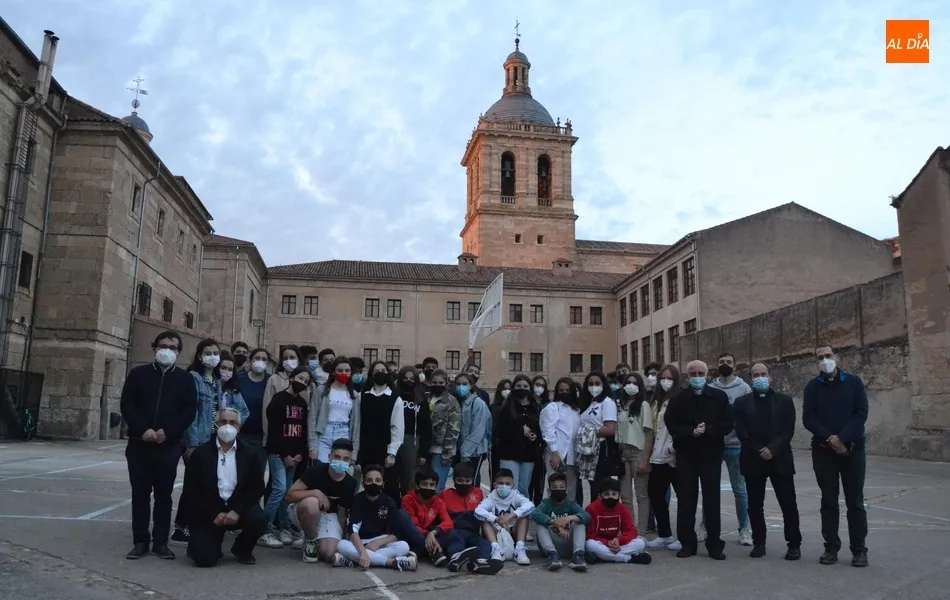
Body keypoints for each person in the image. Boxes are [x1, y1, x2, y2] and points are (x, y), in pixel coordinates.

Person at [120, 331, 198, 560]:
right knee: (140, 495)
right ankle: (140, 541)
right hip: (139, 445)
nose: (167, 350)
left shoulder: (185, 379)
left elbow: (189, 411)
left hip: (168, 446)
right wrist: (142, 430)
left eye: (172, 347)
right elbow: (127, 405)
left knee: (164, 496)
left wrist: (169, 432)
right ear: (154, 348)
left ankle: (161, 542)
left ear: (178, 352)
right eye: (163, 345)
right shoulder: (138, 374)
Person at [173, 342, 249, 547]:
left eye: (215, 353)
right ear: (199, 355)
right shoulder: (194, 379)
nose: (213, 357)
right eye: (208, 353)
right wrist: (192, 443)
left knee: (206, 485)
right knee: (193, 485)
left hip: (212, 439)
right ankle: (181, 526)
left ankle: (199, 523)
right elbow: (192, 413)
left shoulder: (215, 381)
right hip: (197, 440)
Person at [803, 345, 869, 568]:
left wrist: (842, 438)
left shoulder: (853, 383)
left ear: (836, 357)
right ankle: (831, 547)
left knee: (855, 502)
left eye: (828, 356)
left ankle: (859, 550)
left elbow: (860, 413)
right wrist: (830, 439)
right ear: (816, 362)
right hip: (824, 452)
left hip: (853, 450)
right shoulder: (812, 387)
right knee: (828, 501)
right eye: (820, 357)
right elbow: (809, 419)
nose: (824, 360)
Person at [182, 408, 267, 567]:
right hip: (210, 512)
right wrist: (214, 513)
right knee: (204, 559)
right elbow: (192, 491)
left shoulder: (250, 453)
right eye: (223, 422)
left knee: (260, 519)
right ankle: (203, 543)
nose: (227, 426)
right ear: (216, 425)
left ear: (239, 427)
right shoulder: (201, 454)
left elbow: (256, 487)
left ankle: (242, 549)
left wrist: (237, 510)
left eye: (232, 422)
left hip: (237, 508)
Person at [665, 360, 732, 560]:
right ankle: (687, 543)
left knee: (712, 499)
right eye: (693, 374)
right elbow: (672, 424)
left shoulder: (719, 397)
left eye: (700, 373)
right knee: (686, 500)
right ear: (687, 376)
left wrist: (708, 430)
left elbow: (727, 423)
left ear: (707, 374)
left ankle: (714, 544)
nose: (696, 377)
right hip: (686, 454)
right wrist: (690, 432)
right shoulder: (678, 399)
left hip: (711, 455)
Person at [733, 364, 802, 560]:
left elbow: (788, 430)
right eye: (755, 375)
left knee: (788, 504)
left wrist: (772, 448)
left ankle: (794, 544)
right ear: (750, 379)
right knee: (755, 505)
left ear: (770, 377)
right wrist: (758, 450)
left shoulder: (785, 401)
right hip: (753, 459)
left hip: (780, 459)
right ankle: (759, 543)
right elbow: (741, 431)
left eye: (763, 374)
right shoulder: (741, 403)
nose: (760, 378)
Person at [702, 352, 753, 546]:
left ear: (735, 365)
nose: (725, 364)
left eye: (729, 362)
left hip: (736, 446)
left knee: (740, 489)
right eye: (721, 362)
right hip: (713, 445)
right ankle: (705, 526)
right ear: (716, 365)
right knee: (709, 488)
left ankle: (744, 529)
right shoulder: (710, 388)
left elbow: (749, 414)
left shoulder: (744, 388)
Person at [260, 365, 312, 548]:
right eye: (300, 379)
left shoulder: (302, 403)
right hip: (277, 453)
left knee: (288, 493)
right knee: (279, 489)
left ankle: (284, 527)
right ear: (292, 377)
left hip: (295, 456)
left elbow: (303, 431)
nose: (302, 383)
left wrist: (298, 454)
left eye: (306, 382)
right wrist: (285, 455)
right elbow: (274, 431)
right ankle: (263, 529)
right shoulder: (278, 399)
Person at [286, 438, 359, 564]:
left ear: (350, 461)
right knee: (312, 504)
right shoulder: (316, 471)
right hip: (303, 510)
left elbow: (342, 513)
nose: (341, 461)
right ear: (330, 456)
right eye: (337, 457)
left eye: (345, 459)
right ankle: (310, 540)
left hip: (329, 515)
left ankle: (318, 542)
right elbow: (290, 495)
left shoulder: (350, 483)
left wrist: (343, 535)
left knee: (329, 553)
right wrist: (315, 493)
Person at [336, 465, 417, 571]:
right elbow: (353, 531)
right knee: (341, 545)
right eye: (369, 480)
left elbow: (396, 534)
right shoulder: (357, 500)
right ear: (363, 484)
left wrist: (377, 543)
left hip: (380, 541)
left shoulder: (389, 501)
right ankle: (392, 562)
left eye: (377, 480)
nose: (373, 483)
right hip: (360, 542)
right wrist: (363, 551)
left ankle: (353, 560)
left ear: (383, 484)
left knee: (404, 546)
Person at [645, 364, 682, 552]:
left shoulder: (681, 400)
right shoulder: (656, 401)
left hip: (675, 456)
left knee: (684, 496)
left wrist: (674, 446)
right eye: (663, 378)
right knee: (656, 494)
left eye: (670, 378)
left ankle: (684, 535)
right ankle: (665, 534)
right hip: (658, 456)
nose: (665, 382)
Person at [440, 462, 501, 574]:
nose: (464, 484)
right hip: (455, 530)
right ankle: (455, 558)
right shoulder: (445, 495)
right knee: (456, 540)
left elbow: (484, 514)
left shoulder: (477, 493)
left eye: (467, 481)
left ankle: (480, 562)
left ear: (472, 480)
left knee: (485, 544)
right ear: (454, 480)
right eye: (460, 481)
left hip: (472, 532)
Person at [359, 361, 405, 497]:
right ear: (371, 374)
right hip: (366, 448)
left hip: (385, 450)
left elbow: (397, 427)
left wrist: (392, 453)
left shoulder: (395, 399)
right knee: (367, 485)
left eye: (383, 371)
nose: (380, 374)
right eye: (377, 371)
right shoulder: (362, 396)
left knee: (388, 487)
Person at [616, 371, 653, 534]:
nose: (631, 385)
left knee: (641, 495)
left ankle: (642, 531)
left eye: (635, 383)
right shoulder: (621, 406)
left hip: (638, 452)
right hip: (623, 453)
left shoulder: (643, 405)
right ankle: (629, 530)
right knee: (625, 496)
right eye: (628, 382)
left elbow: (649, 432)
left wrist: (645, 458)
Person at [400, 470, 464, 566]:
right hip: (413, 535)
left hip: (429, 534)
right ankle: (434, 552)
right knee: (402, 516)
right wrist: (428, 536)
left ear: (436, 487)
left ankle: (453, 557)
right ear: (417, 486)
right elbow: (413, 524)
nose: (428, 488)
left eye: (432, 485)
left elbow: (448, 522)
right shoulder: (408, 499)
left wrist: (433, 533)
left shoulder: (438, 501)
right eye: (424, 484)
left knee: (454, 533)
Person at [474, 468, 535, 565]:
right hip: (496, 533)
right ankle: (495, 550)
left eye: (507, 484)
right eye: (501, 483)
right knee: (484, 520)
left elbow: (531, 506)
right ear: (495, 485)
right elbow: (477, 511)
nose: (504, 486)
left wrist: (512, 515)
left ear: (512, 485)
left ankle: (519, 550)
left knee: (524, 516)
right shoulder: (490, 497)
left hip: (512, 531)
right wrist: (496, 519)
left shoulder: (515, 495)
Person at [494, 374, 542, 497]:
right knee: (509, 487)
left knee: (524, 488)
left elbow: (540, 428)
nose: (522, 388)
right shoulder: (507, 407)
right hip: (509, 453)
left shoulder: (535, 408)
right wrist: (520, 431)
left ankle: (523, 514)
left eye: (525, 386)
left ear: (530, 388)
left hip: (528, 454)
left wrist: (535, 436)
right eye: (519, 386)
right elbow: (500, 430)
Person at [531, 472, 590, 571]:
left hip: (568, 544)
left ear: (566, 489)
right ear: (549, 490)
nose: (558, 489)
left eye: (561, 487)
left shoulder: (571, 503)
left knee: (579, 523)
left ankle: (578, 556)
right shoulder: (546, 503)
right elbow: (535, 514)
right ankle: (552, 556)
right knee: (541, 525)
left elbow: (586, 516)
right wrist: (554, 523)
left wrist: (569, 518)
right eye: (554, 487)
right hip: (551, 544)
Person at [584, 478, 651, 564]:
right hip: (601, 543)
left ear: (619, 495)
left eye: (614, 494)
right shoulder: (591, 509)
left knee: (640, 543)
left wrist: (619, 541)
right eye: (606, 494)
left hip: (617, 544)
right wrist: (607, 543)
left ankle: (603, 556)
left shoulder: (622, 508)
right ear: (600, 496)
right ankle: (628, 558)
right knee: (590, 544)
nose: (610, 497)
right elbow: (591, 535)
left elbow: (631, 531)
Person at [309, 356, 361, 464]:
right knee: (321, 470)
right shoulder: (321, 390)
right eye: (340, 370)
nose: (343, 373)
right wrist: (312, 446)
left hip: (344, 434)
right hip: (324, 434)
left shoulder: (354, 395)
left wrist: (354, 451)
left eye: (347, 370)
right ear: (333, 372)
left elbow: (356, 424)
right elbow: (312, 417)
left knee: (339, 472)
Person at [579, 371, 621, 499]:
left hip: (601, 449)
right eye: (590, 384)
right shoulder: (588, 402)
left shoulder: (607, 402)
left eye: (597, 383)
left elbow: (610, 429)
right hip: (587, 449)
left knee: (600, 487)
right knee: (593, 486)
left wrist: (585, 431)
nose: (594, 386)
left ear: (604, 385)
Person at [540, 377, 582, 500]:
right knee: (555, 490)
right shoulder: (552, 407)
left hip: (573, 457)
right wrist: (554, 452)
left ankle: (569, 518)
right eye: (561, 390)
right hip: (557, 455)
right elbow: (548, 430)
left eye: (567, 390)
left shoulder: (577, 410)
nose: (564, 393)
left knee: (571, 492)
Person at [395, 366, 432, 498]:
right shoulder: (394, 396)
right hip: (393, 439)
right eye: (405, 378)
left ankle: (407, 508)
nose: (408, 381)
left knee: (409, 479)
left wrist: (423, 453)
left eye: (411, 379)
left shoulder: (421, 400)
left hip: (411, 440)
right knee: (393, 477)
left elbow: (427, 427)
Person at [262, 345, 310, 444]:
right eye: (285, 358)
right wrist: (268, 437)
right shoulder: (274, 379)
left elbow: (308, 411)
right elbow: (266, 410)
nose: (288, 361)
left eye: (292, 357)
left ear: (298, 359)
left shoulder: (307, 382)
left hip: (297, 436)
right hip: (277, 436)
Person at [235, 348, 271, 471]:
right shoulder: (239, 379)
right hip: (240, 434)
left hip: (261, 437)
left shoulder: (270, 381)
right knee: (238, 471)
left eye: (264, 359)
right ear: (250, 361)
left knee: (257, 473)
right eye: (257, 358)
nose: (260, 361)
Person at [427, 369, 461, 492]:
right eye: (434, 382)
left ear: (446, 383)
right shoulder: (427, 398)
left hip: (442, 450)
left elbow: (454, 428)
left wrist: (447, 452)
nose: (437, 385)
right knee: (425, 486)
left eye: (441, 382)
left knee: (437, 487)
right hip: (426, 448)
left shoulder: (451, 401)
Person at [457, 372, 491, 486]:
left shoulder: (477, 403)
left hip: (474, 451)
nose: (461, 386)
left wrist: (465, 452)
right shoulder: (461, 403)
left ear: (471, 385)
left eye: (464, 383)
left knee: (472, 483)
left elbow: (478, 430)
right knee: (463, 483)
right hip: (464, 451)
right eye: (458, 384)